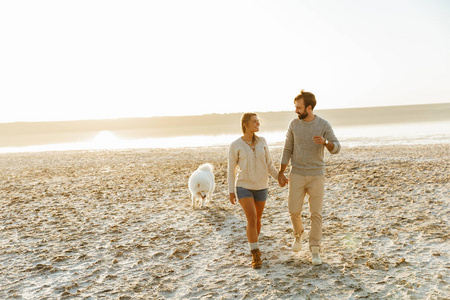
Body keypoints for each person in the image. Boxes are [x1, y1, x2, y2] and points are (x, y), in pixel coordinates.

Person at [278, 90, 341, 266]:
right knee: (293, 210)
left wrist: (325, 143)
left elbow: (337, 148)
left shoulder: (323, 124)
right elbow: (287, 149)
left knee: (316, 214)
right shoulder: (294, 125)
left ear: (309, 107)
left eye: (299, 108)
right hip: (296, 173)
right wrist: (281, 173)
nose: (296, 111)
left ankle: (315, 250)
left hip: (316, 175)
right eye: (295, 107)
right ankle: (298, 234)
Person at [228, 113, 279, 269]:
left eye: (258, 121)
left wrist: (279, 178)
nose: (258, 123)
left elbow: (269, 164)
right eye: (254, 121)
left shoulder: (262, 141)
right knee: (251, 218)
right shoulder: (235, 145)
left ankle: (253, 243)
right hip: (243, 186)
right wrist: (231, 191)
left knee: (257, 220)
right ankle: (255, 254)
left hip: (262, 185)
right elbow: (231, 170)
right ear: (245, 124)